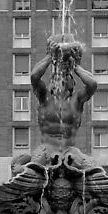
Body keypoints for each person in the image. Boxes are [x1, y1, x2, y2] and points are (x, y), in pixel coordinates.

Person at [29, 36, 97, 168]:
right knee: (32, 173)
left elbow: (92, 84)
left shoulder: (77, 101)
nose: (61, 79)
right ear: (51, 83)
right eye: (56, 77)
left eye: (67, 76)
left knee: (92, 171)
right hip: (46, 152)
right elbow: (34, 76)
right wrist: (50, 56)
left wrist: (75, 67)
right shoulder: (45, 97)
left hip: (70, 152)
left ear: (73, 84)